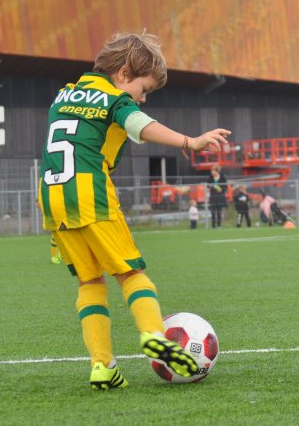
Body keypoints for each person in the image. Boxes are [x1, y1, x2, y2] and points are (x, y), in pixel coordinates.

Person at [37, 32, 231, 389]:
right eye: (145, 89)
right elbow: (139, 124)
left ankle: (103, 365)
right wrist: (191, 141)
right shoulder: (113, 98)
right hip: (90, 195)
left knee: (90, 281)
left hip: (52, 198)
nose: (142, 99)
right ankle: (153, 334)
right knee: (131, 274)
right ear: (124, 72)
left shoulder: (65, 93)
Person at [207, 164, 228, 228]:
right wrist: (212, 186)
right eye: (211, 171)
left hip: (220, 197)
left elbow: (225, 187)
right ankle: (213, 226)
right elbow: (208, 185)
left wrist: (220, 189)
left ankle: (219, 225)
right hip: (212, 197)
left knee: (219, 212)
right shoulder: (210, 177)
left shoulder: (222, 177)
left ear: (217, 171)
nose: (212, 172)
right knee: (213, 212)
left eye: (213, 171)